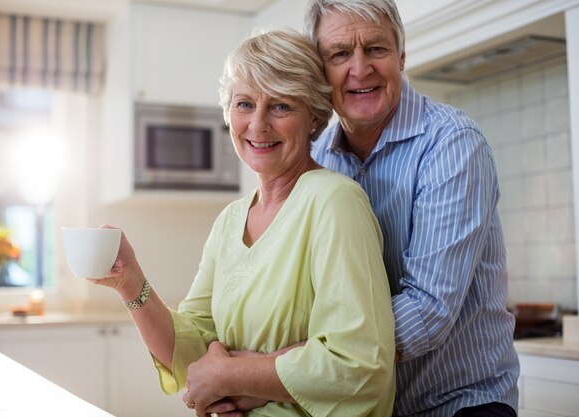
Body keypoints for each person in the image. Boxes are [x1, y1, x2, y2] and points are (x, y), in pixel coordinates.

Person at [91, 29, 396, 417]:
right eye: (245, 104)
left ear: (314, 118)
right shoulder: (230, 220)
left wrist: (234, 375)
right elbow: (194, 358)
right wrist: (129, 279)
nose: (258, 125)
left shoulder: (334, 202)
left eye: (281, 106)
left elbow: (359, 365)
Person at [303, 1, 520, 416]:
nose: (360, 68)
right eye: (339, 54)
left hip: (461, 404)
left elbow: (427, 313)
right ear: (319, 70)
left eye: (377, 49)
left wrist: (291, 364)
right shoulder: (316, 158)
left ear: (402, 56)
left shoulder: (452, 144)